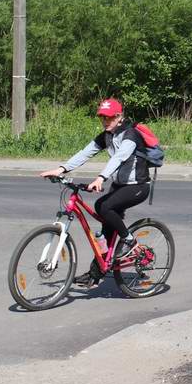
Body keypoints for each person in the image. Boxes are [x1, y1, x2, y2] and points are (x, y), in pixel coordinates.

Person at [40, 98, 150, 288]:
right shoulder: (107, 135)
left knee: (103, 206)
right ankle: (95, 274)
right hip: (120, 185)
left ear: (119, 116)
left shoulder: (131, 135)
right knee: (107, 222)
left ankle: (130, 242)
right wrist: (61, 169)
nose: (105, 121)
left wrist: (101, 178)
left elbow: (119, 157)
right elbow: (85, 153)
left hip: (138, 186)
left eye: (109, 118)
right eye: (102, 118)